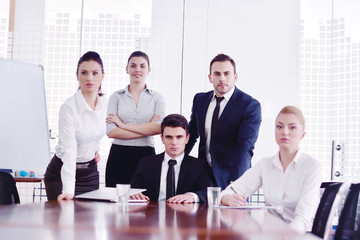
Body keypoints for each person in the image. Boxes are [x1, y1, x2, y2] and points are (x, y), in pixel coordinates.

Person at [220, 106, 322, 233]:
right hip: (272, 233)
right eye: (279, 126)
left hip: (300, 235)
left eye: (292, 127)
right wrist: (228, 199)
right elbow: (227, 192)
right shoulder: (264, 165)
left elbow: (303, 218)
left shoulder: (312, 166)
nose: (285, 132)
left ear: (303, 134)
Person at [185, 53, 262, 190]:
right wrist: (177, 162)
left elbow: (245, 147)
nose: (222, 79)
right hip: (202, 176)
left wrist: (237, 182)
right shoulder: (200, 100)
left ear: (235, 77)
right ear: (210, 77)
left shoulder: (249, 105)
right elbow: (191, 135)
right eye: (217, 74)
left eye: (227, 74)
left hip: (231, 178)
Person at [44, 51, 107, 201]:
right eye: (84, 73)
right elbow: (69, 150)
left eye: (94, 73)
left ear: (102, 76)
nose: (89, 78)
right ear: (77, 75)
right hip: (61, 173)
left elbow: (96, 133)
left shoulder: (106, 104)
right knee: (64, 220)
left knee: (88, 223)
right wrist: (68, 190)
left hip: (90, 173)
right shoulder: (69, 108)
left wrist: (93, 149)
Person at [105, 51, 166, 187]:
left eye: (142, 66)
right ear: (127, 69)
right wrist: (148, 127)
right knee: (115, 201)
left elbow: (159, 128)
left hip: (146, 154)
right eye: (133, 66)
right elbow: (111, 131)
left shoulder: (157, 98)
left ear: (148, 70)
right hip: (119, 155)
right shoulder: (116, 97)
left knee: (147, 201)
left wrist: (123, 125)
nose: (137, 69)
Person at [130, 114, 213, 203]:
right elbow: (133, 190)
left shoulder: (198, 166)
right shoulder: (146, 164)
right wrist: (134, 194)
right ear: (162, 139)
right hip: (153, 213)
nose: (174, 142)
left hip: (185, 214)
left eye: (179, 137)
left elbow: (208, 191)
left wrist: (192, 196)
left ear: (187, 139)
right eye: (169, 137)